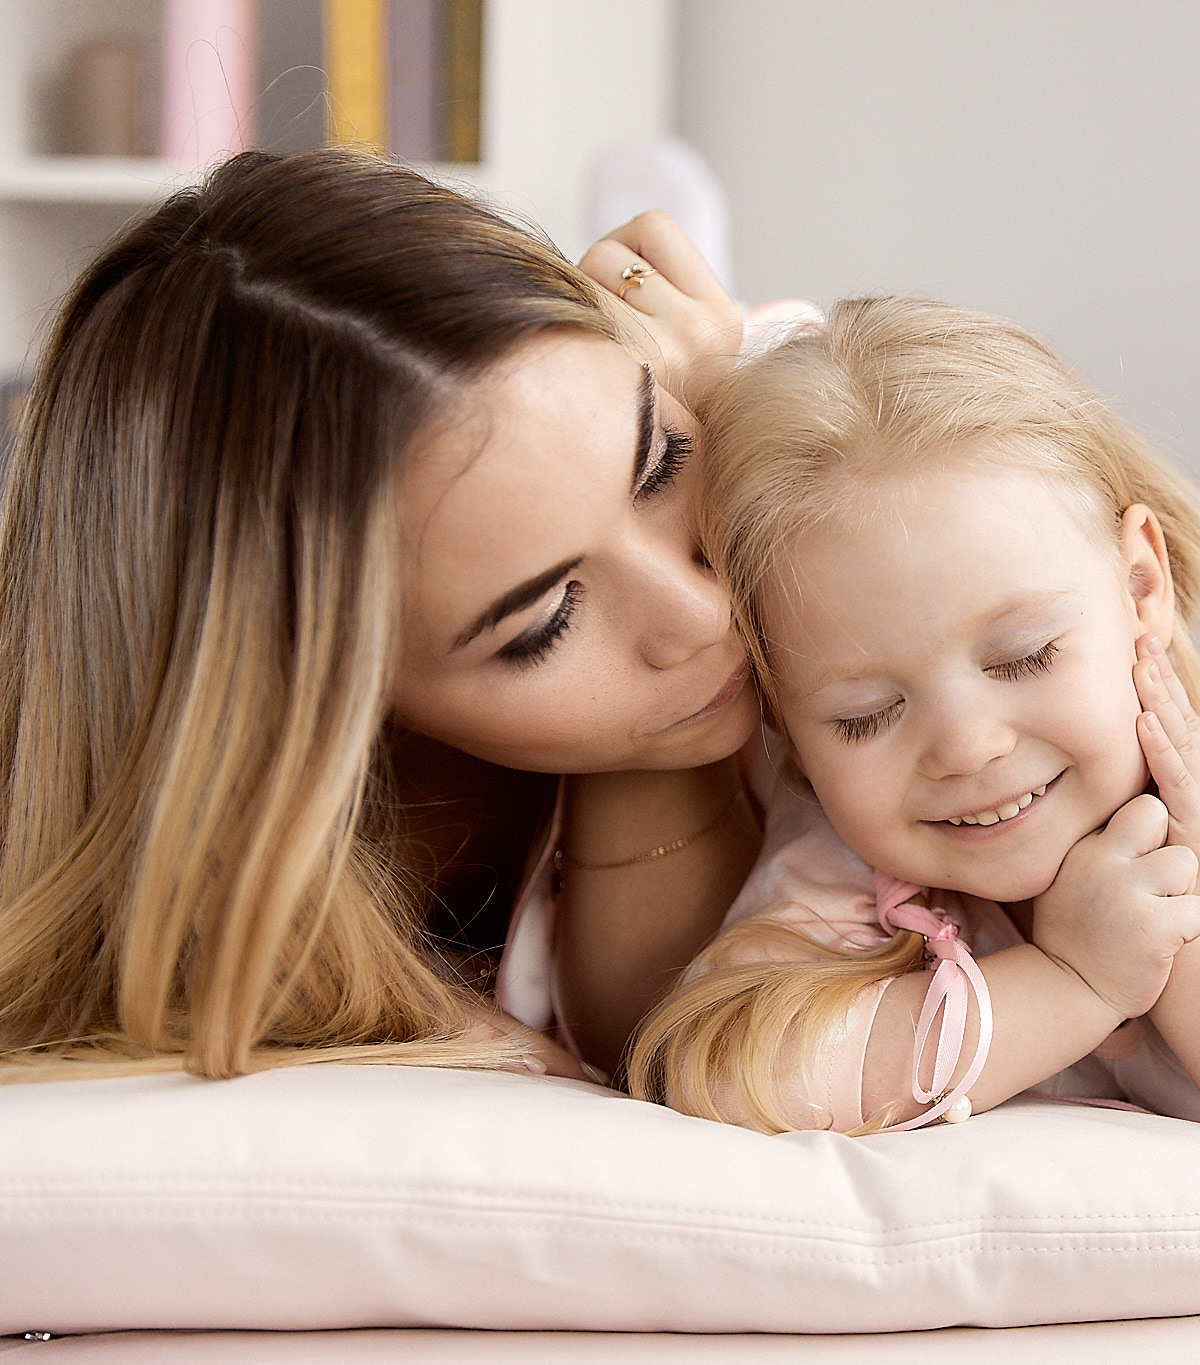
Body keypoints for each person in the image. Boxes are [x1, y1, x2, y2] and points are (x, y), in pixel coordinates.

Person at [626, 297, 1200, 1245]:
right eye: (864, 715)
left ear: (1140, 588)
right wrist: (1074, 980)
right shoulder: (851, 846)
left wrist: (1179, 939)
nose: (967, 747)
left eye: (1025, 657)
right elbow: (711, 1073)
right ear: (793, 737)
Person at [0, 146, 765, 1083]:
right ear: (318, 700)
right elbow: (667, 1065)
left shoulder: (767, 424)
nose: (700, 610)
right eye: (544, 624)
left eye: (661, 465)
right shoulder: (276, 927)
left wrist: (729, 401)